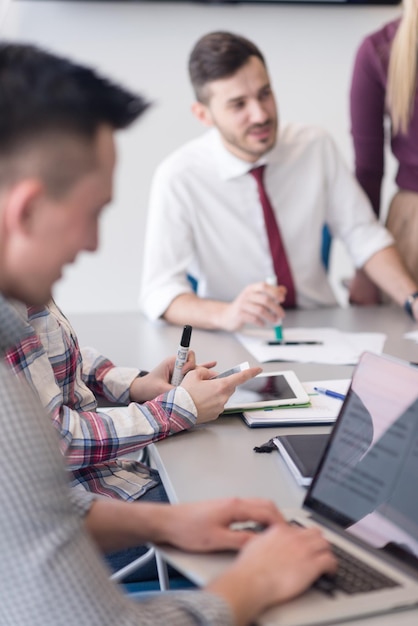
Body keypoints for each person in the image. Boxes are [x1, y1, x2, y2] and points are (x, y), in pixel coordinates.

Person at [0, 42, 337, 625]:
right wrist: (247, 588)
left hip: (112, 497)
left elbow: (37, 507)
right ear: (26, 210)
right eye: (94, 213)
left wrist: (168, 517)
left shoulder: (20, 300)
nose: (95, 246)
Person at [140, 31, 418, 332]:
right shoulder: (179, 177)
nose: (260, 115)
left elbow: (364, 235)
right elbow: (159, 291)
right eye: (238, 105)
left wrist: (412, 299)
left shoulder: (314, 146)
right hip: (235, 334)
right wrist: (226, 314)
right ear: (203, 115)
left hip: (320, 325)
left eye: (265, 94)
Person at [349, 1, 418, 306]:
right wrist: (366, 266)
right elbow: (368, 173)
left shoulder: (377, 48)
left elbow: (368, 170)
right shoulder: (380, 50)